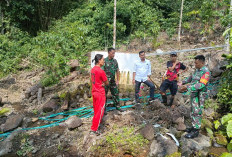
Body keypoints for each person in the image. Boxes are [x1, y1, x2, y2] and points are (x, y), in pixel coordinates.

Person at [179, 55, 210, 139]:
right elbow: (191, 78)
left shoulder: (205, 72)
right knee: (193, 110)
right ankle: (193, 126)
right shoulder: (196, 70)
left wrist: (187, 87)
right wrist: (182, 82)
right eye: (195, 63)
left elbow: (201, 84)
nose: (195, 64)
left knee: (197, 111)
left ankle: (196, 131)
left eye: (196, 63)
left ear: (202, 62)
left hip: (200, 95)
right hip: (194, 93)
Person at [90, 54, 109, 135]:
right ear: (99, 61)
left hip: (94, 92)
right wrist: (104, 84)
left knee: (96, 110)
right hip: (100, 93)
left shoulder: (93, 69)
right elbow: (107, 82)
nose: (104, 61)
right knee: (100, 111)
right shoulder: (101, 71)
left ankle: (95, 125)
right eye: (103, 60)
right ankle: (94, 129)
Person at [103, 48, 122, 112]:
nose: (114, 54)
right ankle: (104, 109)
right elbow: (102, 72)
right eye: (112, 53)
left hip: (113, 81)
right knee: (104, 95)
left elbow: (117, 70)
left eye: (114, 53)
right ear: (109, 53)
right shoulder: (104, 61)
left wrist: (117, 80)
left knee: (115, 93)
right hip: (106, 81)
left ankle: (118, 107)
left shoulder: (115, 61)